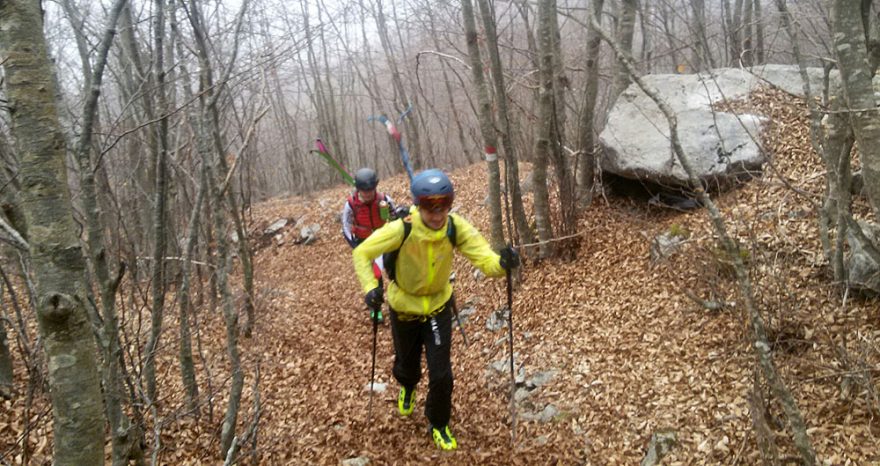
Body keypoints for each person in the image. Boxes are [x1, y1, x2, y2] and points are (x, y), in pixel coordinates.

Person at [352, 168, 519, 451]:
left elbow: (485, 259)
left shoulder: (455, 227)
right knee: (407, 366)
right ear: (418, 204)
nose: (438, 213)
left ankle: (438, 423)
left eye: (444, 204)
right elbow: (362, 253)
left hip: (438, 309)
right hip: (404, 308)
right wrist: (370, 287)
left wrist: (502, 264)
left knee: (442, 374)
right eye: (430, 206)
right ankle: (407, 386)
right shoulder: (402, 228)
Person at [342, 167, 396, 322]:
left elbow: (395, 217)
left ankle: (398, 301)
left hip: (383, 239)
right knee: (374, 275)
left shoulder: (384, 200)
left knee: (393, 269)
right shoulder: (351, 204)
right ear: (358, 189)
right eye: (364, 191)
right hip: (364, 243)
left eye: (371, 190)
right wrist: (354, 244)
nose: (368, 194)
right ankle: (376, 308)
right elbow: (345, 225)